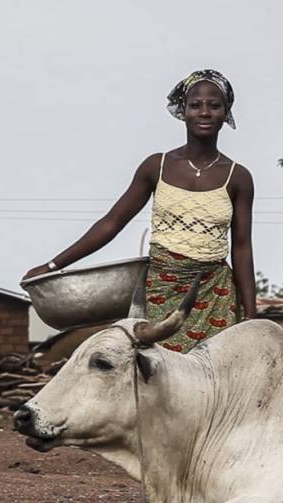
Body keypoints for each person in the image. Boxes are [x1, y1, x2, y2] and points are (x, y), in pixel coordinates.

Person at [23, 69, 256, 351]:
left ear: (225, 112)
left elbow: (241, 247)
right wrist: (52, 267)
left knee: (216, 372)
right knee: (154, 367)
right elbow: (112, 222)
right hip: (160, 290)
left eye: (214, 105)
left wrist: (251, 318)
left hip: (215, 294)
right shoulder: (156, 167)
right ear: (183, 111)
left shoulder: (238, 177)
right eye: (195, 105)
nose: (204, 112)